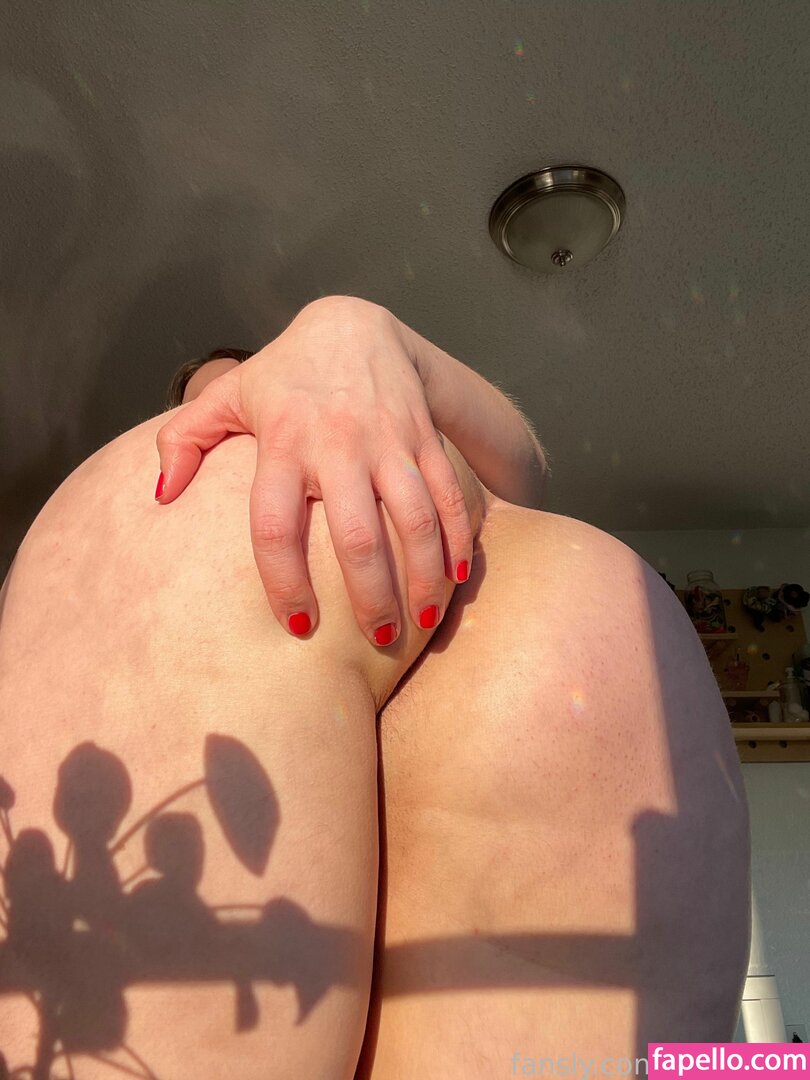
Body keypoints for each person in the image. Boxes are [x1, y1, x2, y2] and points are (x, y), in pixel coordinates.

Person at [0, 297, 750, 1079]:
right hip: (564, 606)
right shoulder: (420, 439)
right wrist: (364, 332)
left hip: (208, 573)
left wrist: (345, 333)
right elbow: (527, 471)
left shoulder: (182, 494)